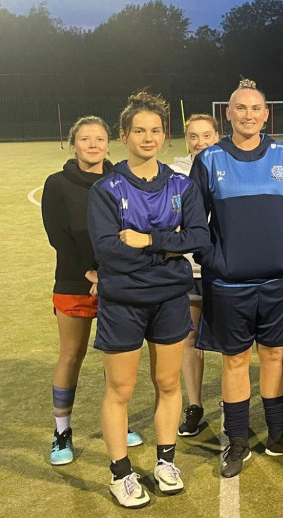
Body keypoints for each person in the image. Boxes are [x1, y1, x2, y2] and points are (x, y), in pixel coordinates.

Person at [88, 91, 210, 507]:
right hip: (123, 301)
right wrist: (169, 248)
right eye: (139, 130)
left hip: (171, 299)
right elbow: (107, 250)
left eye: (155, 130)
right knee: (120, 389)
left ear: (165, 136)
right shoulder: (106, 188)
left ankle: (165, 461)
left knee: (168, 383)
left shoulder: (182, 185)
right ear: (124, 135)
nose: (148, 137)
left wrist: (148, 241)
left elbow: (199, 238)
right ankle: (120, 473)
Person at [192, 78, 283, 477]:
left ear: (266, 114)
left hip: (278, 281)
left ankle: (278, 435)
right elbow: (194, 222)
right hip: (228, 285)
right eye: (240, 108)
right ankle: (239, 439)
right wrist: (216, 261)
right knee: (235, 360)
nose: (248, 115)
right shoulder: (209, 159)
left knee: (275, 356)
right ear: (227, 113)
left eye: (255, 108)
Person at [42, 116, 144, 465]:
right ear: (74, 144)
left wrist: (112, 271)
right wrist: (89, 272)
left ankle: (117, 423)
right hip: (74, 280)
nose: (93, 145)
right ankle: (61, 432)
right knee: (72, 354)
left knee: (116, 355)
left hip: (117, 280)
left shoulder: (120, 180)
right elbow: (58, 236)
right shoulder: (56, 184)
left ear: (108, 143)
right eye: (85, 139)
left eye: (99, 139)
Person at [169, 113, 220, 437]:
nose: (199, 142)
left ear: (217, 136)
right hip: (188, 268)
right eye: (193, 136)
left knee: (234, 341)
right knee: (189, 338)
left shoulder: (231, 167)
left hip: (223, 269)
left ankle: (236, 403)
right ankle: (196, 405)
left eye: (206, 135)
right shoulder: (175, 174)